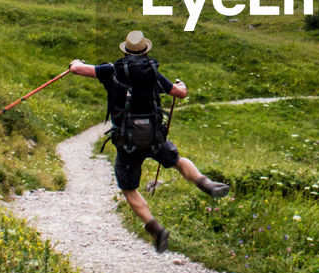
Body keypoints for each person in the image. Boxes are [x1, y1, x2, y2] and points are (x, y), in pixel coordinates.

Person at [69, 30, 229, 253]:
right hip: (154, 137)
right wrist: (182, 85)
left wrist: (76, 62)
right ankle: (207, 184)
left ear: (125, 51)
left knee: (129, 189)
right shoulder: (153, 73)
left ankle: (155, 228)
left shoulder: (111, 70)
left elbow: (76, 69)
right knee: (177, 161)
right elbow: (179, 93)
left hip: (126, 142)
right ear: (145, 51)